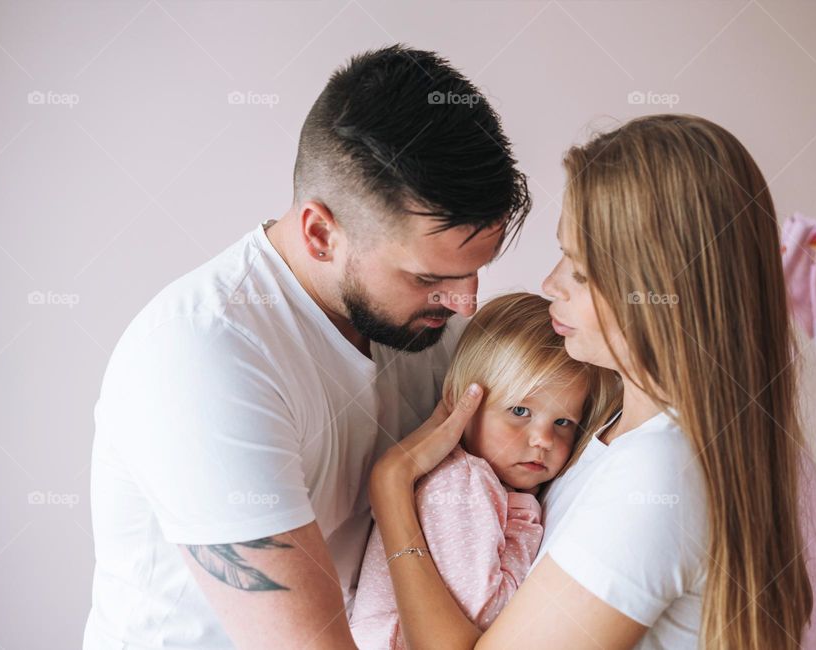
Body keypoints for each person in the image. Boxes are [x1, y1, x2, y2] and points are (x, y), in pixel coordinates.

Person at [83, 44, 531, 649]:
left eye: (475, 270)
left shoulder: (425, 324)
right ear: (321, 233)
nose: (465, 304)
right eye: (430, 278)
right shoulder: (204, 356)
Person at [368, 114, 814, 650]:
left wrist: (391, 488)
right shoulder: (607, 426)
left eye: (578, 270)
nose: (550, 283)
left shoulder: (657, 477)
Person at [350, 292, 618, 648]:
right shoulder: (462, 484)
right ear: (464, 402)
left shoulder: (492, 483)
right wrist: (523, 524)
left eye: (563, 421)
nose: (543, 439)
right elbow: (485, 615)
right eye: (520, 411)